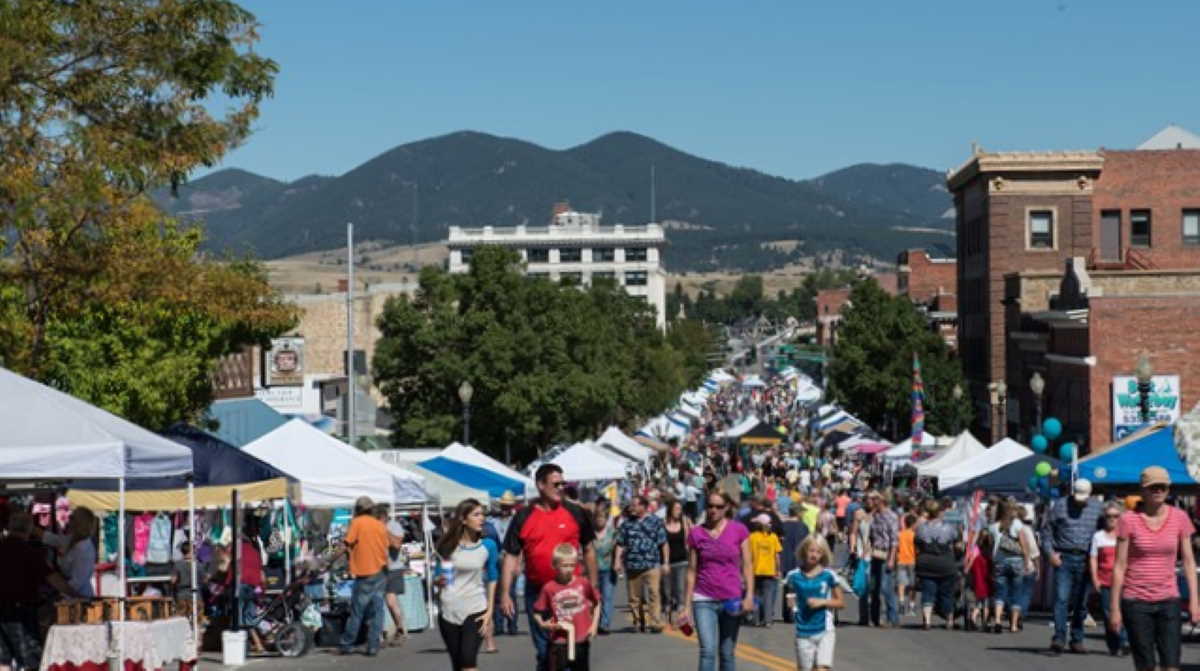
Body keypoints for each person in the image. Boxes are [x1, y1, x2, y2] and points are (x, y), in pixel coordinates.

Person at [500, 464, 597, 671]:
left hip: (571, 592)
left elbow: (588, 549)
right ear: (541, 485)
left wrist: (592, 588)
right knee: (546, 652)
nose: (561, 488)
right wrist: (505, 593)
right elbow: (510, 555)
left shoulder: (575, 512)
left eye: (563, 483)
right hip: (538, 593)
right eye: (556, 484)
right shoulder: (523, 516)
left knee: (573, 649)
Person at [1109, 466, 1200, 671]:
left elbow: (1188, 561)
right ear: (1143, 490)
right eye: (1153, 487)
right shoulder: (1128, 520)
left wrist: (1195, 601)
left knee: (1171, 664)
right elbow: (1119, 566)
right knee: (1146, 665)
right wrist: (1114, 609)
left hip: (1169, 600)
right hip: (1136, 601)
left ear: (1169, 490)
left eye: (1162, 487)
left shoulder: (1180, 517)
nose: (1158, 491)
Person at [0, 511, 80, 671]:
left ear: (10, 527)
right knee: (31, 660)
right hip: (20, 611)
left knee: (3, 660)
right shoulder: (31, 553)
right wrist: (76, 595)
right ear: (29, 529)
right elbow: (54, 579)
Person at [684, 491, 754, 671]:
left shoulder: (739, 530)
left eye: (718, 506)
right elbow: (691, 570)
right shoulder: (696, 533)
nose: (713, 510)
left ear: (727, 508)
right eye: (710, 506)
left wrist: (749, 596)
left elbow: (747, 565)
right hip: (703, 598)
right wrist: (686, 607)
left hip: (732, 598)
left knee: (727, 652)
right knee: (707, 650)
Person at [435, 498, 498, 671]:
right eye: (476, 515)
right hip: (449, 609)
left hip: (476, 609)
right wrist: (438, 581)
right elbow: (437, 576)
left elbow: (493, 577)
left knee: (468, 661)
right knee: (457, 664)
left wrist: (490, 611)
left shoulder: (488, 545)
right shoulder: (448, 545)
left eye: (482, 514)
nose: (482, 518)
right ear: (463, 519)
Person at [1041, 478, 1102, 653]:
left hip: (1086, 558)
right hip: (1064, 557)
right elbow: (1046, 531)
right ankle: (1059, 638)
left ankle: (1077, 639)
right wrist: (1050, 553)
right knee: (1061, 599)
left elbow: (1105, 530)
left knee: (1081, 602)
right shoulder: (1059, 506)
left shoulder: (1098, 508)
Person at [532, 544, 600, 671]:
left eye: (572, 565)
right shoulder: (549, 588)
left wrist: (594, 625)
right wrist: (545, 625)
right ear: (555, 565)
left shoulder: (583, 583)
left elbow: (597, 602)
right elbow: (537, 613)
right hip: (559, 641)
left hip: (581, 638)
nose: (569, 569)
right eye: (564, 565)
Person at [337, 496, 390, 657]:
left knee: (357, 611)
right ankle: (373, 645)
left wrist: (329, 560)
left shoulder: (357, 522)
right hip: (381, 570)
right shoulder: (380, 525)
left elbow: (347, 543)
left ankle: (347, 643)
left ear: (358, 509)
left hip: (364, 571)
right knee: (377, 610)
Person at [785, 536, 844, 671]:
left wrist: (822, 602)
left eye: (818, 552)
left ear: (823, 554)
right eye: (811, 551)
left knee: (822, 668)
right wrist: (792, 607)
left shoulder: (829, 575)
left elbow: (840, 602)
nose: (814, 555)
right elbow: (790, 597)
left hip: (825, 629)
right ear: (805, 551)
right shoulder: (793, 576)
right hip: (803, 630)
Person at [615, 495, 668, 633]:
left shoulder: (655, 521)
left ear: (643, 506)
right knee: (634, 598)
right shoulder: (626, 524)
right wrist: (617, 561)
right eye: (631, 505)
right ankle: (638, 622)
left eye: (635, 505)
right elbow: (620, 543)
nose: (631, 508)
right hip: (633, 565)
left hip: (652, 564)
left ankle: (656, 622)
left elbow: (663, 543)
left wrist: (665, 562)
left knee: (654, 594)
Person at [990, 499, 1033, 635]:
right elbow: (1024, 543)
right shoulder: (1017, 524)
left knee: (1000, 593)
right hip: (1016, 561)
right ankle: (1013, 625)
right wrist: (1027, 560)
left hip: (1000, 561)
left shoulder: (994, 526)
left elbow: (992, 545)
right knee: (1016, 593)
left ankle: (997, 621)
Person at [1090, 500, 1127, 656]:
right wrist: (1095, 579)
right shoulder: (1098, 536)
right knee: (1107, 614)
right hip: (1106, 581)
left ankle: (1124, 641)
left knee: (1125, 613)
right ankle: (1114, 643)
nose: (1112, 519)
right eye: (1108, 516)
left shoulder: (1126, 536)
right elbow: (1093, 558)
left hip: (1125, 581)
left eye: (1115, 516)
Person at [915, 499, 958, 630]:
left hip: (926, 562)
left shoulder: (921, 528)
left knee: (928, 592)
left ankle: (927, 620)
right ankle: (949, 620)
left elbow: (917, 544)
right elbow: (956, 542)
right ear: (940, 512)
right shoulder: (949, 528)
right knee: (947, 593)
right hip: (945, 562)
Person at [37, 506, 98, 598]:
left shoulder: (85, 550)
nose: (68, 519)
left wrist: (58, 593)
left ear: (79, 523)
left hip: (79, 599)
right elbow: (51, 538)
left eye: (71, 517)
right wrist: (31, 528)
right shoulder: (71, 539)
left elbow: (77, 582)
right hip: (67, 594)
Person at [488, 491, 521, 637]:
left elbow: (521, 545)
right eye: (503, 506)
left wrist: (519, 563)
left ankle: (512, 623)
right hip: (496, 559)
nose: (505, 509)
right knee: (495, 594)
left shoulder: (516, 521)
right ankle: (499, 625)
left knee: (511, 593)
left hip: (511, 559)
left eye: (507, 506)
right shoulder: (493, 522)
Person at [376, 504, 409, 649]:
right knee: (377, 602)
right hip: (377, 569)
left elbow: (396, 545)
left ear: (383, 517)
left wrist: (384, 529)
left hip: (393, 569)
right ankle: (379, 635)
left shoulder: (394, 526)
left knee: (390, 602)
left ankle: (400, 629)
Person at [866, 491, 899, 628]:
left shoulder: (891, 516)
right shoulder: (874, 515)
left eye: (874, 499)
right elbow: (870, 535)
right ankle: (874, 618)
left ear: (881, 500)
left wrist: (892, 559)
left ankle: (892, 618)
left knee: (886, 588)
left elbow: (894, 540)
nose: (870, 501)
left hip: (886, 554)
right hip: (875, 554)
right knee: (874, 587)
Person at [748, 514, 782, 627]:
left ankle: (756, 620)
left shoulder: (752, 537)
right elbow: (777, 556)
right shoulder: (773, 537)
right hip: (769, 571)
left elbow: (748, 555)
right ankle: (767, 620)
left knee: (756, 596)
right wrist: (778, 570)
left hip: (755, 570)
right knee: (768, 596)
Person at [592, 503, 618, 636]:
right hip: (592, 570)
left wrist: (618, 562)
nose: (599, 520)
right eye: (597, 517)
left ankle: (605, 624)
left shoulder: (612, 533)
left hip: (608, 569)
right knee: (594, 598)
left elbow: (618, 548)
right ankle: (593, 623)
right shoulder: (590, 533)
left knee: (607, 597)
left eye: (602, 517)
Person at [664, 500, 692, 617]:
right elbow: (663, 543)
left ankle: (681, 613)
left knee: (680, 589)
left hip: (682, 560)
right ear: (670, 509)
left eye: (680, 509)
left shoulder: (684, 521)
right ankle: (669, 604)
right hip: (667, 561)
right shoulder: (663, 523)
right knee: (667, 590)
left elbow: (688, 541)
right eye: (676, 509)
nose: (679, 512)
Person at [896, 513, 916, 617]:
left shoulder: (900, 534)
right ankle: (911, 606)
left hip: (901, 560)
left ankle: (901, 603)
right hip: (912, 561)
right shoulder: (914, 535)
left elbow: (896, 548)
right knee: (912, 585)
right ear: (913, 524)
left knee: (901, 584)